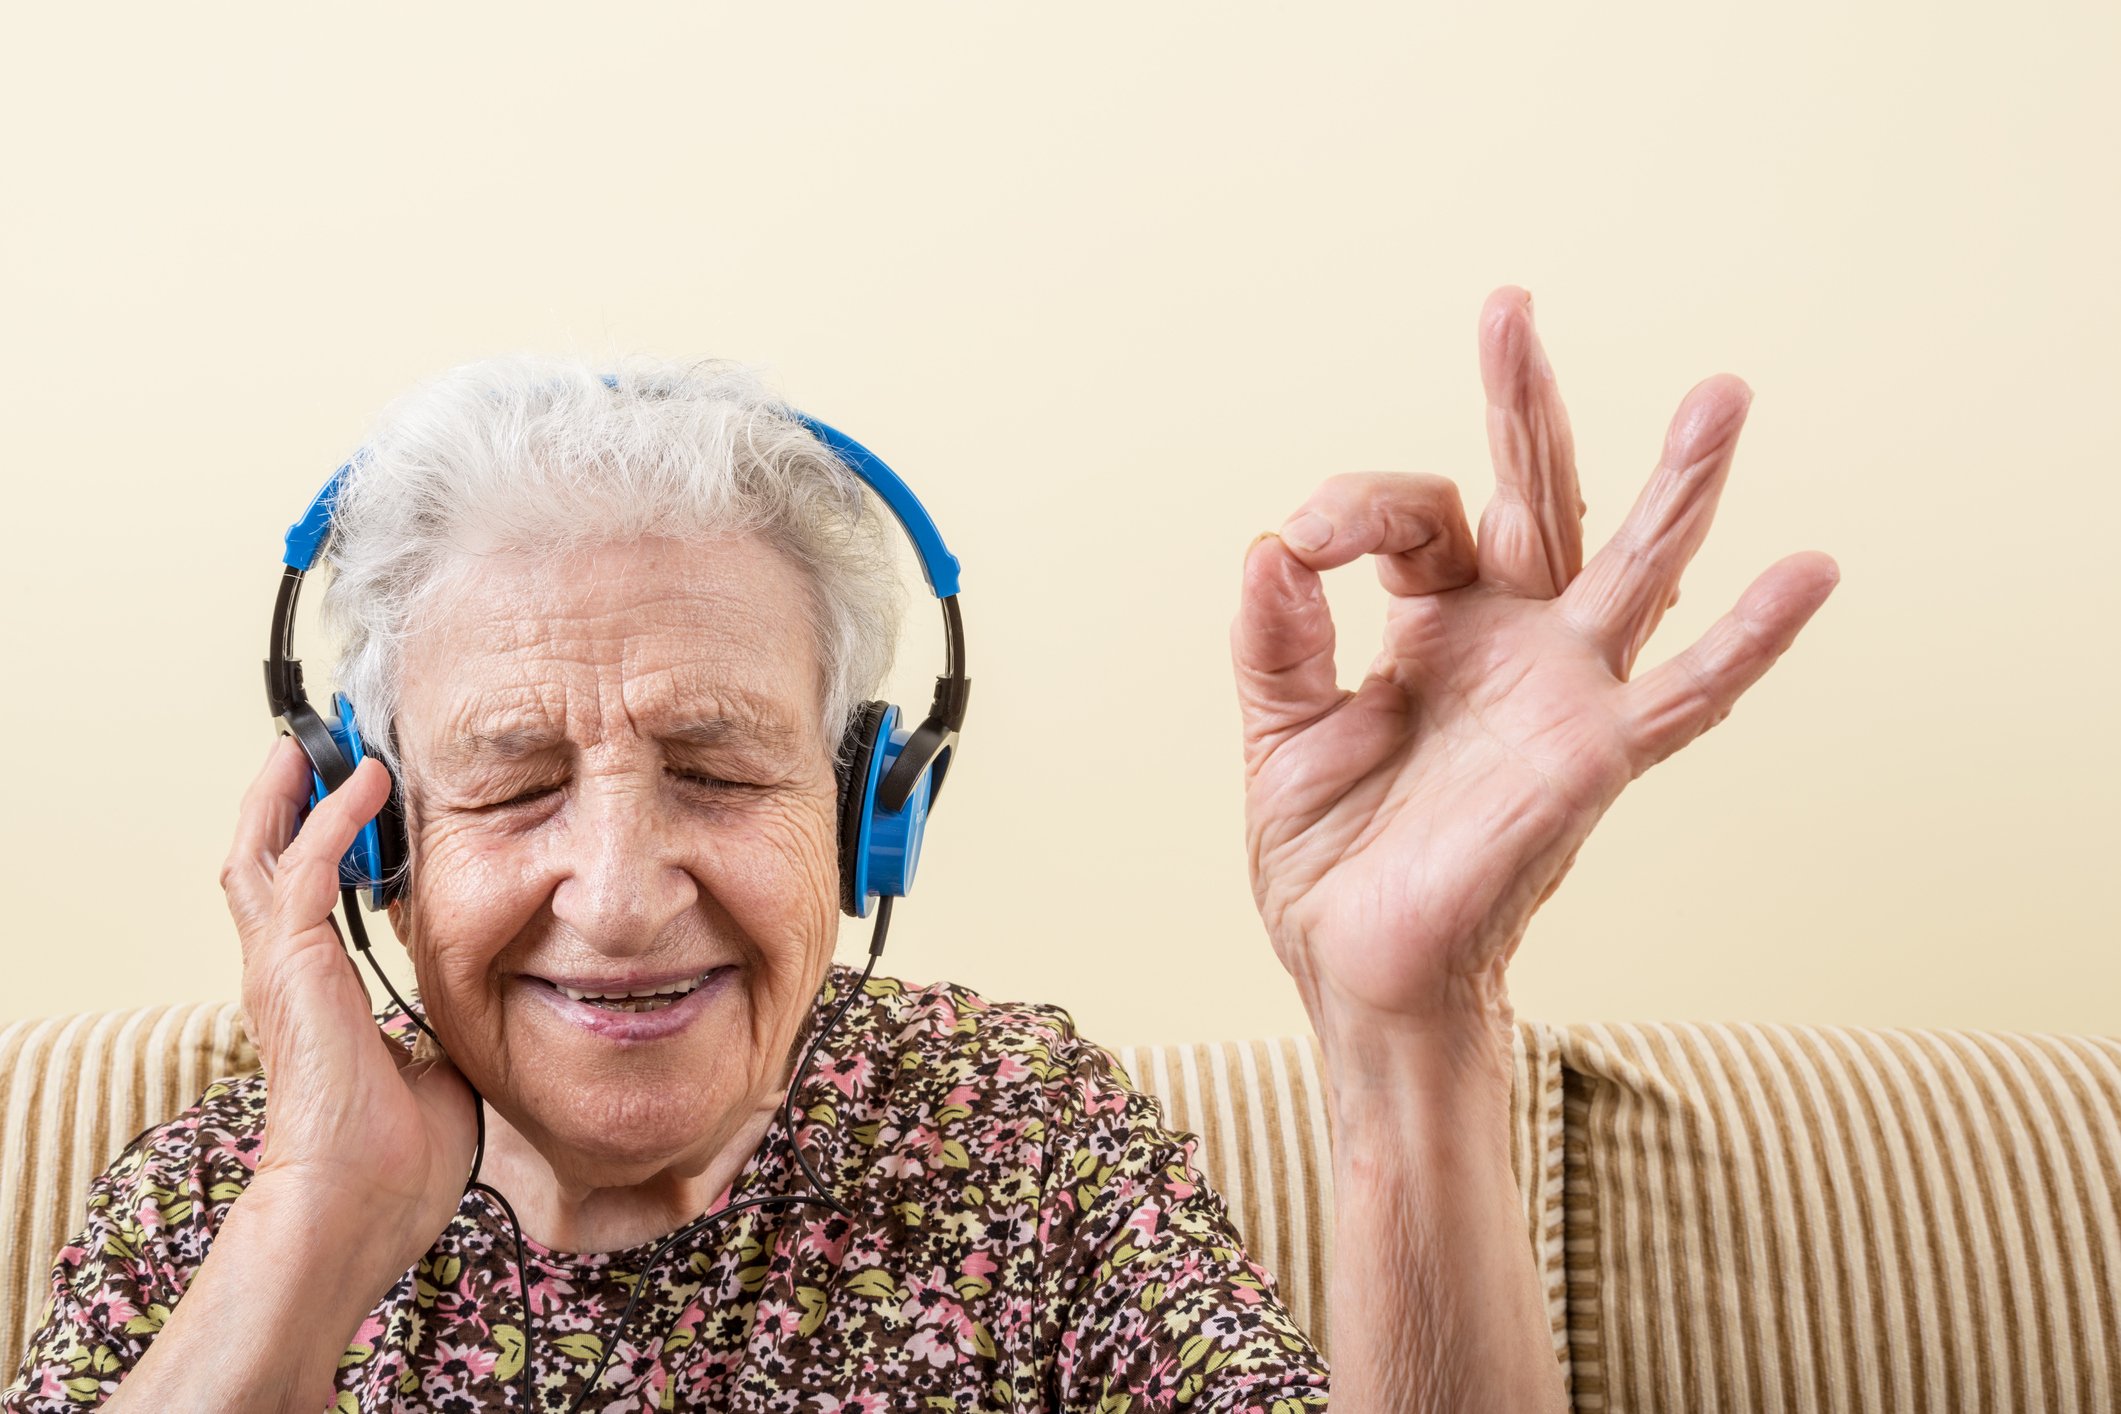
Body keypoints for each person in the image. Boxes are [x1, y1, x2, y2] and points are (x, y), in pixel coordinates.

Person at [4, 285, 1838, 1412]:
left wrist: (1411, 1026)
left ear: (868, 807)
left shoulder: (1014, 1139)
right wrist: (317, 1230)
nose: (621, 893)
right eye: (511, 784)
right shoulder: (214, 1208)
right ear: (370, 832)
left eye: (715, 769)